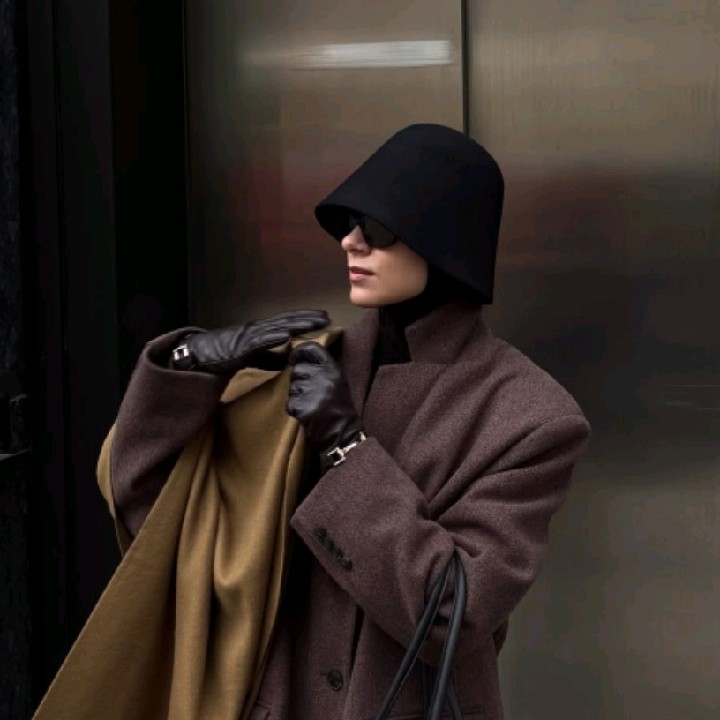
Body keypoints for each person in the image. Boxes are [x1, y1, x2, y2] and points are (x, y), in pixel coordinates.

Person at [110, 123, 590, 720]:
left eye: (379, 227)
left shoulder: (530, 416)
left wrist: (344, 448)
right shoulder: (309, 368)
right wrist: (189, 368)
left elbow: (450, 613)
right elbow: (155, 512)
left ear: (446, 239)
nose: (350, 242)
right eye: (348, 223)